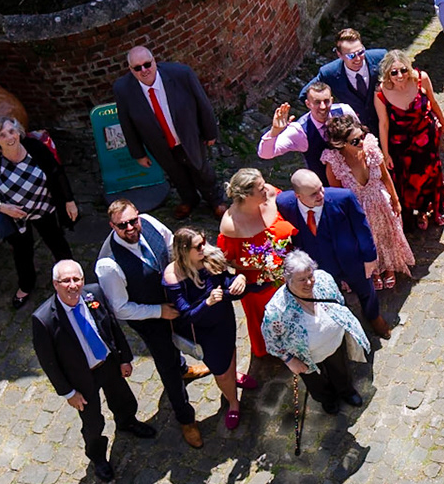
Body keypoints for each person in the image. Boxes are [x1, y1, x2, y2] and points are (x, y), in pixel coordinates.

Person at [32, 259, 153, 482]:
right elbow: (48, 362)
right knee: (92, 422)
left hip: (107, 363)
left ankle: (127, 422)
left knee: (123, 398)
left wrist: (124, 358)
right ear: (55, 284)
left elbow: (113, 327)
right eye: (65, 281)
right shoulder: (44, 319)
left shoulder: (93, 293)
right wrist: (68, 393)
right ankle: (98, 457)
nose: (72, 285)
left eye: (76, 279)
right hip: (81, 378)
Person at [98, 198, 204, 449]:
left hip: (173, 303)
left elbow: (170, 247)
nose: (131, 228)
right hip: (148, 318)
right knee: (166, 362)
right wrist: (158, 311)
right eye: (123, 225)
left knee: (185, 339)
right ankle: (185, 418)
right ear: (112, 226)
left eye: (133, 220)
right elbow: (120, 308)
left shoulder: (150, 223)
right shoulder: (108, 265)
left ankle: (183, 368)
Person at [0, 115, 77, 311]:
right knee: (22, 252)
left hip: (43, 207)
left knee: (57, 242)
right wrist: (3, 208)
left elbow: (56, 172)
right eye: (2, 135)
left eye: (12, 131)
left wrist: (69, 200)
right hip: (14, 217)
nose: (9, 137)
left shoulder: (34, 147)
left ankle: (71, 278)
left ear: (18, 132)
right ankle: (26, 285)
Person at [113, 45, 224, 218]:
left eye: (147, 64)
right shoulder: (123, 89)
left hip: (188, 135)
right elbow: (126, 123)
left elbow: (203, 104)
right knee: (176, 173)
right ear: (131, 70)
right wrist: (138, 153)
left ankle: (215, 200)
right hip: (159, 143)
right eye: (137, 68)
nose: (144, 70)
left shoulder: (181, 75)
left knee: (201, 169)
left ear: (154, 61)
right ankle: (189, 199)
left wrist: (210, 132)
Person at [262, 250, 371, 416]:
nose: (309, 283)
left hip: (334, 344)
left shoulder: (324, 279)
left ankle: (346, 391)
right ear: (288, 280)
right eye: (302, 280)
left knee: (341, 370)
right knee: (316, 383)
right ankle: (328, 399)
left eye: (310, 275)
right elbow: (271, 342)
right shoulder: (276, 311)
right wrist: (290, 360)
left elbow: (339, 301)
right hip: (305, 357)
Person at [279, 169, 384, 333]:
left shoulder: (343, 198)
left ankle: (373, 316)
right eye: (313, 194)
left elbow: (362, 228)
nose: (321, 194)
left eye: (321, 188)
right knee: (328, 295)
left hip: (350, 259)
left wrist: (370, 258)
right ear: (298, 196)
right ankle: (340, 326)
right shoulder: (285, 205)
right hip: (318, 264)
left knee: (366, 289)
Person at [214, 169, 294, 383]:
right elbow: (228, 261)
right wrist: (261, 265)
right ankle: (272, 349)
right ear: (246, 196)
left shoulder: (271, 193)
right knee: (266, 317)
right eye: (260, 188)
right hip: (258, 283)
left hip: (287, 273)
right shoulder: (231, 225)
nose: (266, 188)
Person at [164, 226, 247, 431]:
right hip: (204, 331)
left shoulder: (209, 259)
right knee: (219, 371)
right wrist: (207, 303)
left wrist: (240, 279)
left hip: (224, 320)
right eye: (198, 246)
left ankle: (234, 375)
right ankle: (232, 401)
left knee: (230, 349)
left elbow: (226, 282)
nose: (204, 248)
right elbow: (186, 316)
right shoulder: (173, 277)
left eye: (204, 242)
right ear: (184, 251)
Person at [322, 116, 412, 288]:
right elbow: (336, 196)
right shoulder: (334, 163)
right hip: (358, 210)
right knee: (368, 240)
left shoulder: (371, 149)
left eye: (362, 136)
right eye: (355, 141)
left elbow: (385, 176)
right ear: (342, 144)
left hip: (381, 202)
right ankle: (375, 271)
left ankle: (390, 267)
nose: (362, 142)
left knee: (387, 235)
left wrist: (395, 199)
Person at [374, 49, 444, 231]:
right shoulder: (381, 93)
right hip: (402, 146)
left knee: (431, 175)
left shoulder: (420, 78)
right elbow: (383, 125)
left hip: (426, 139)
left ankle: (432, 210)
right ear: (387, 74)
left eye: (403, 70)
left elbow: (433, 101)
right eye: (394, 72)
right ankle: (418, 212)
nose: (400, 76)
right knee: (410, 181)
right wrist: (386, 154)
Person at [258, 80, 357, 182]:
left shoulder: (344, 111)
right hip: (328, 187)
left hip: (357, 176)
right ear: (308, 104)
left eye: (326, 101)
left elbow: (363, 137)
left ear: (332, 100)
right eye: (317, 102)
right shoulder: (299, 131)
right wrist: (275, 131)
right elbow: (265, 154)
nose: (323, 107)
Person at [307, 30, 391, 131]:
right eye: (351, 56)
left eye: (361, 52)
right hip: (358, 131)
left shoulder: (381, 57)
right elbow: (305, 94)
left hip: (389, 123)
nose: (358, 59)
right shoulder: (329, 73)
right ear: (339, 54)